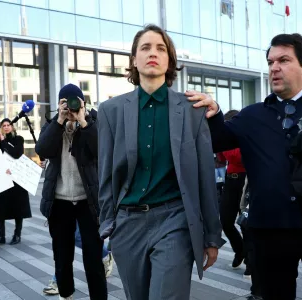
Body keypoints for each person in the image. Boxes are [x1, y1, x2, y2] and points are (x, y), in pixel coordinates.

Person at [186, 33, 302, 300]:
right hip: (269, 231)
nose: (274, 68)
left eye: (283, 60)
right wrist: (213, 111)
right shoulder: (252, 116)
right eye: (270, 62)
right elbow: (216, 140)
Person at [98, 24, 224, 300]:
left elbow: (205, 176)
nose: (153, 53)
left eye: (161, 48)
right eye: (145, 48)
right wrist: (109, 224)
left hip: (174, 219)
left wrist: (212, 235)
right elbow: (105, 175)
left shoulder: (192, 110)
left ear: (170, 60)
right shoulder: (110, 111)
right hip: (127, 225)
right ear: (134, 59)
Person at [35, 83, 107, 300]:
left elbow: (102, 150)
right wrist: (59, 121)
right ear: (59, 104)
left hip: (89, 201)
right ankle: (66, 295)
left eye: (74, 102)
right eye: (65, 103)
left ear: (83, 103)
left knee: (93, 258)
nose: (71, 108)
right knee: (62, 256)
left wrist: (83, 121)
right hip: (59, 201)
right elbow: (43, 150)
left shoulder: (93, 123)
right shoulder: (52, 125)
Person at [0, 118, 32, 246]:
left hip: (16, 179)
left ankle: (17, 234)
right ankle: (0, 236)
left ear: (12, 127)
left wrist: (4, 143)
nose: (6, 127)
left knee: (18, 207)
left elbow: (16, 153)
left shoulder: (18, 139)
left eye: (8, 125)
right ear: (1, 128)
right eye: (3, 125)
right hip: (3, 178)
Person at [220, 110, 246, 269]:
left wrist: (224, 141)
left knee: (245, 223)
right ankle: (240, 249)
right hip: (230, 180)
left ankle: (251, 260)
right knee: (225, 221)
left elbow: (236, 157)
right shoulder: (226, 138)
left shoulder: (244, 136)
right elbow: (222, 159)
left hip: (245, 181)